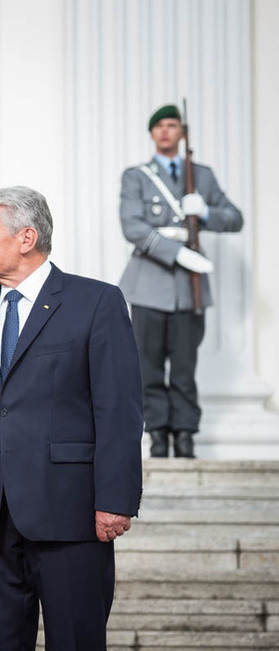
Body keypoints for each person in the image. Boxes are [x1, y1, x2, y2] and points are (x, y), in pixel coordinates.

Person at [0, 186, 143, 651]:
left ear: (26, 238)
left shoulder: (97, 303)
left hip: (71, 513)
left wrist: (116, 499)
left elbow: (119, 412)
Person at [119, 104, 244, 458]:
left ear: (182, 132)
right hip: (150, 282)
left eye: (172, 125)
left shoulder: (201, 176)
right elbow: (133, 226)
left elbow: (234, 218)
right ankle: (158, 436)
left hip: (189, 289)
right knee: (149, 365)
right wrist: (177, 253)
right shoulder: (137, 176)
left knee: (185, 367)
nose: (165, 131)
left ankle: (185, 436)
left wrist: (205, 213)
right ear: (152, 133)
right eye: (158, 126)